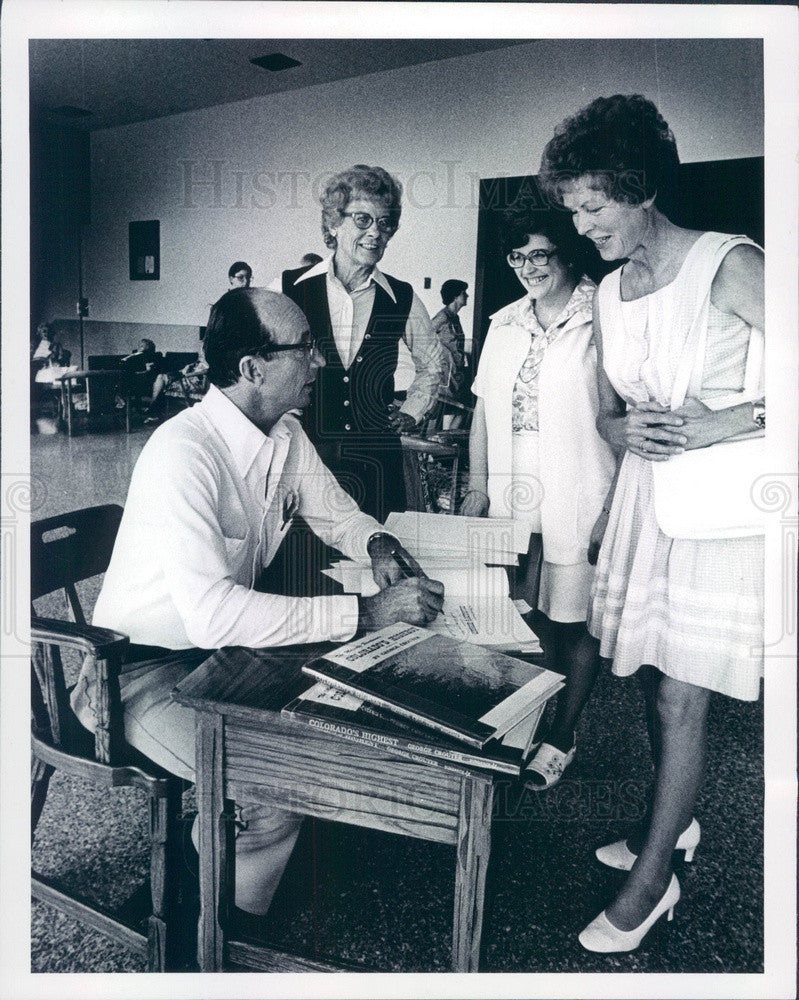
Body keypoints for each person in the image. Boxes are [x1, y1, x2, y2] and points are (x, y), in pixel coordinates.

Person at [73, 288, 444, 919]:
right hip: (132, 675)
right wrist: (367, 614)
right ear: (252, 369)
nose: (318, 362)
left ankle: (223, 874)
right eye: (304, 348)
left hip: (219, 658)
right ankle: (205, 923)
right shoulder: (182, 452)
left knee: (342, 720)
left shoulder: (284, 433)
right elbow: (212, 612)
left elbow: (339, 515)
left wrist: (377, 542)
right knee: (278, 787)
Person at [539, 93, 765, 952]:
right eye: (572, 208)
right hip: (643, 500)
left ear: (639, 189)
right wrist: (619, 429)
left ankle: (652, 880)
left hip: (715, 510)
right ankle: (666, 823)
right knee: (646, 676)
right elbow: (603, 414)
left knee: (679, 695)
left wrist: (723, 421)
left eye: (593, 205)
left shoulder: (727, 263)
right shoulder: (606, 292)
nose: (581, 223)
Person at [460, 201, 615, 790]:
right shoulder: (504, 323)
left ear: (566, 251)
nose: (528, 266)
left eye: (540, 253)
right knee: (520, 618)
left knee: (574, 622)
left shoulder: (604, 312)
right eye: (518, 256)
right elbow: (482, 412)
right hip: (510, 496)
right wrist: (476, 486)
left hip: (580, 488)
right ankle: (518, 727)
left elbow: (622, 414)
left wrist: (613, 509)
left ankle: (562, 735)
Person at [281, 164, 446, 521]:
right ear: (333, 224)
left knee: (380, 558)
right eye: (362, 220)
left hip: (377, 464)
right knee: (306, 559)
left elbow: (434, 362)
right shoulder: (288, 288)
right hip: (306, 458)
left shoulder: (401, 296)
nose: (376, 233)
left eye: (385, 223)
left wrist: (411, 411)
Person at [431, 279, 470, 426]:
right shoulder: (443, 317)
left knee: (458, 411)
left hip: (456, 372)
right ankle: (438, 443)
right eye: (463, 293)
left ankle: (447, 441)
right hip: (445, 373)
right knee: (447, 408)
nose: (467, 296)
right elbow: (425, 336)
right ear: (455, 296)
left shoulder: (455, 318)